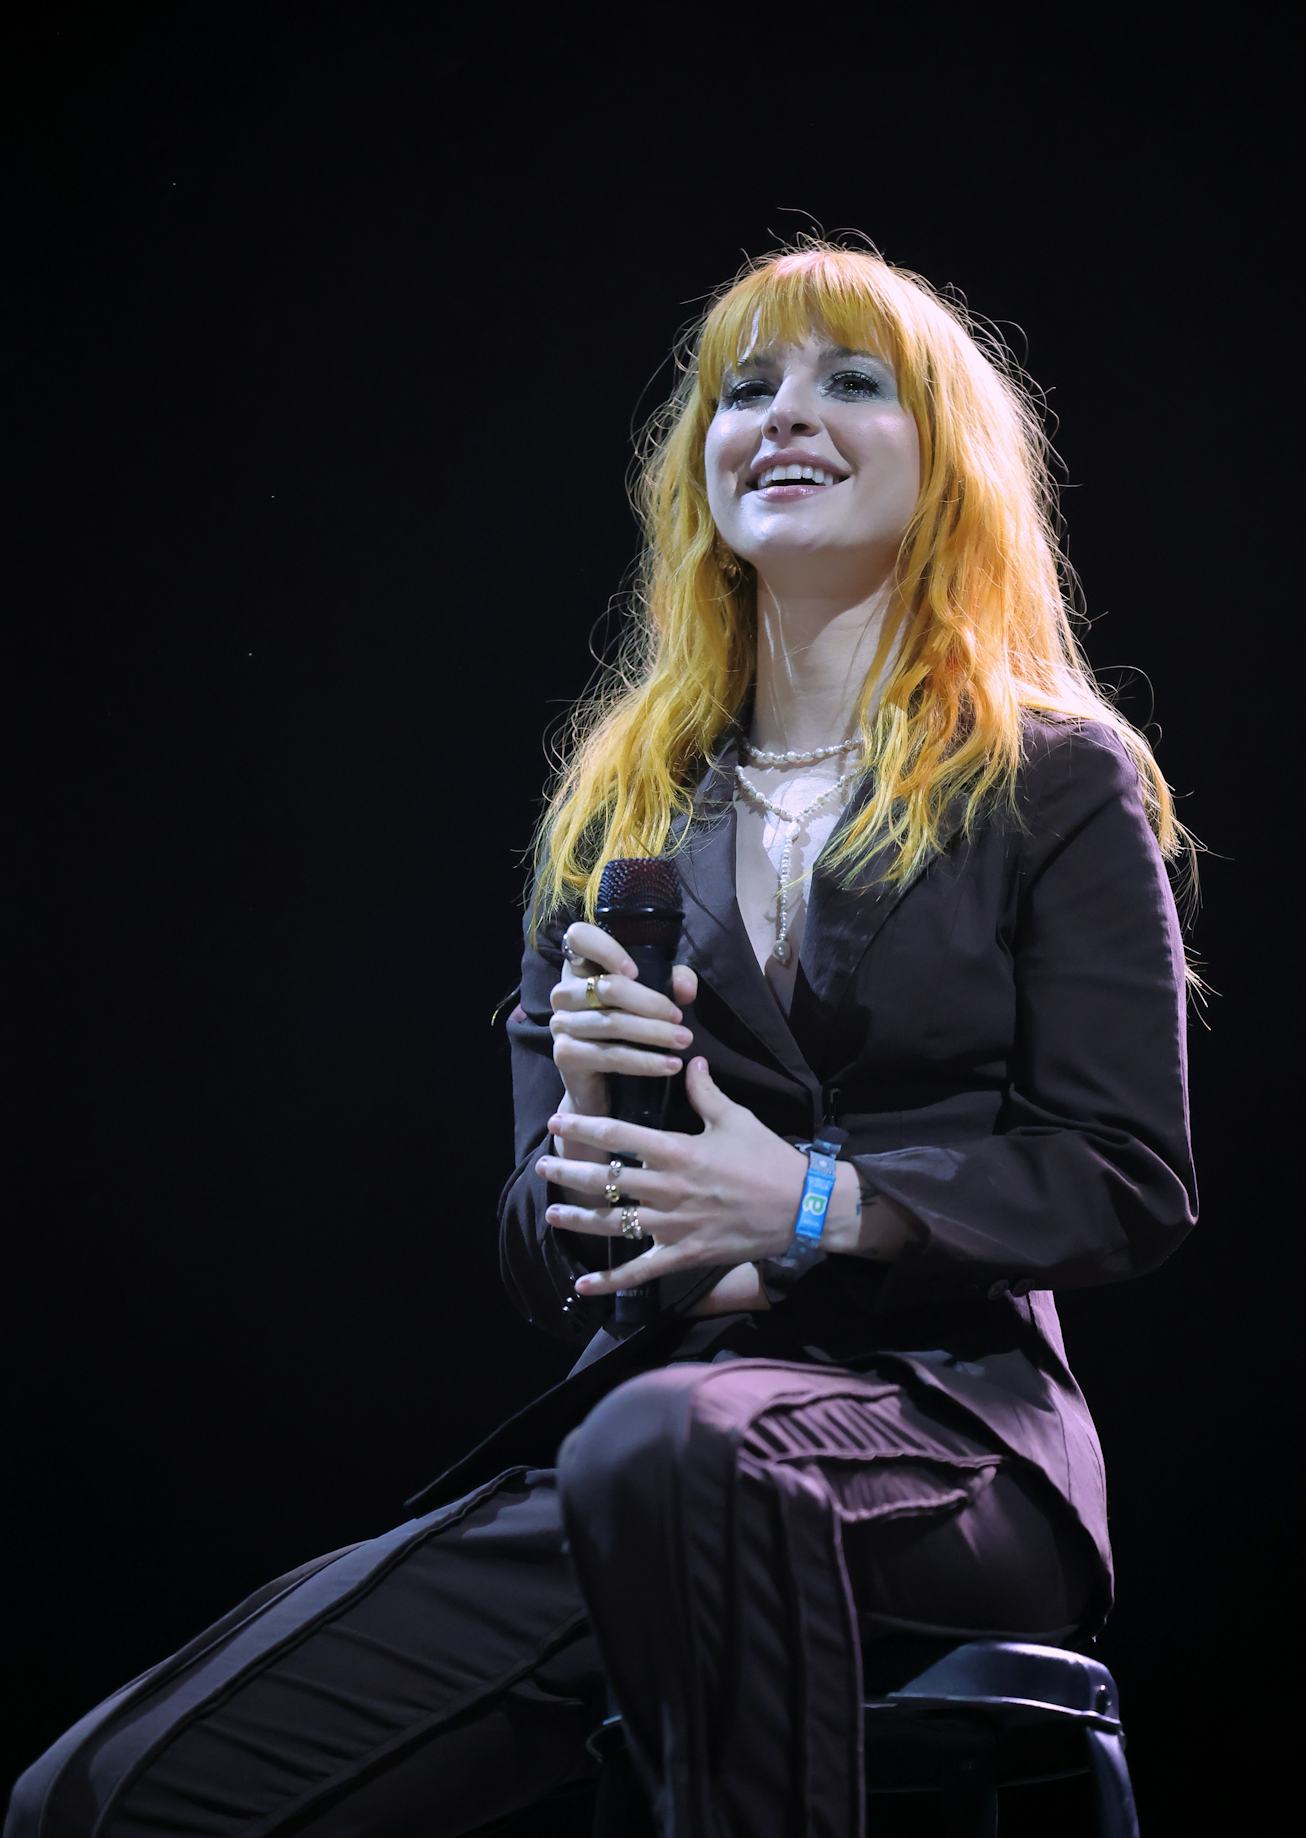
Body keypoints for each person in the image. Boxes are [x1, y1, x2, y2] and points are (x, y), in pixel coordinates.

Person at [5, 236, 1202, 1838]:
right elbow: (542, 1253)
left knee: (668, 1445)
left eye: (848, 381)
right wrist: (583, 1141)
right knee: (96, 1795)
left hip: (947, 1439)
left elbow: (1122, 1173)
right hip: (644, 1439)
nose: (782, 415)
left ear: (946, 468)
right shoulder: (621, 818)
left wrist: (813, 1201)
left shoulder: (1047, 778)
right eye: (743, 390)